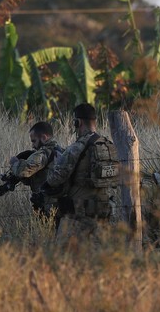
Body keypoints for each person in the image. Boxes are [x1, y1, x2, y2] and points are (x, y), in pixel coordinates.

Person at [44, 104, 120, 246]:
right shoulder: (109, 145)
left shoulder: (77, 147)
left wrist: (53, 169)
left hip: (78, 213)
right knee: (98, 256)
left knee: (65, 255)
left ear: (77, 122)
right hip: (103, 210)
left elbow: (55, 179)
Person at [9, 121, 64, 220]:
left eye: (34, 141)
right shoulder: (62, 152)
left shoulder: (44, 153)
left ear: (44, 137)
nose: (33, 145)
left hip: (48, 208)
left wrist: (14, 163)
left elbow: (23, 171)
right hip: (61, 205)